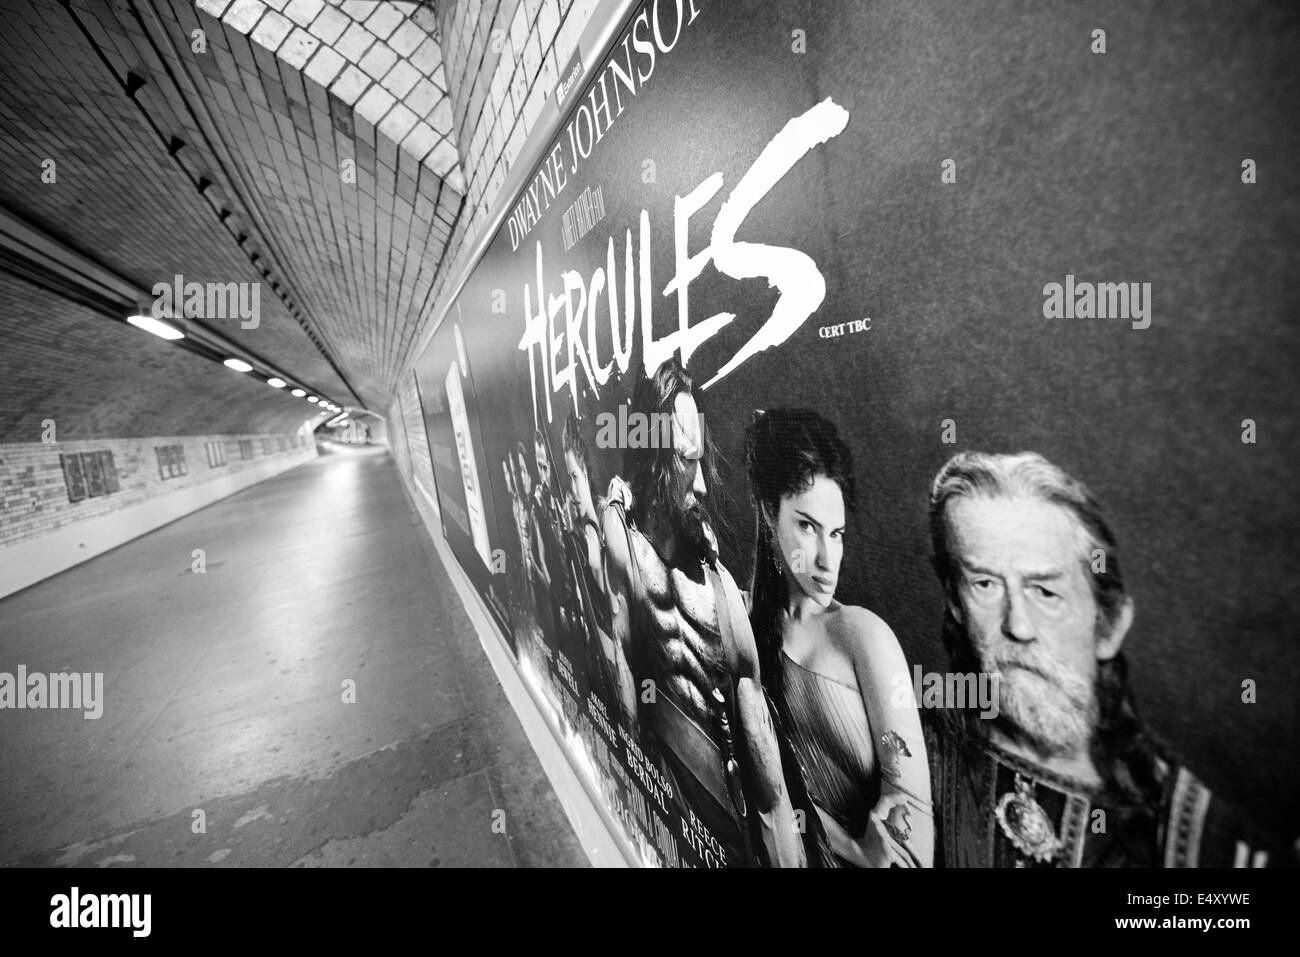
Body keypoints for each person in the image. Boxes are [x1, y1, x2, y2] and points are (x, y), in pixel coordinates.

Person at [926, 450, 1294, 867]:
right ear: (955, 604)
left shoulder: (1204, 837)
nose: (1018, 626)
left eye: (1044, 592)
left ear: (1110, 625)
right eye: (985, 584)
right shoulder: (911, 760)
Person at [602, 356, 804, 868]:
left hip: (727, 831)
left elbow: (772, 795)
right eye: (687, 464)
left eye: (700, 463)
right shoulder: (626, 551)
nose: (704, 487)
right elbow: (625, 695)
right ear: (654, 460)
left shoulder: (722, 593)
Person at [745, 408, 933, 867]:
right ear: (770, 513)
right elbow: (760, 794)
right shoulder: (745, 630)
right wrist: (849, 846)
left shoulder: (863, 636)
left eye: (838, 533)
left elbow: (915, 836)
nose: (829, 559)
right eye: (807, 527)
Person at [562, 411, 638, 732]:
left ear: (587, 472)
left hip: (630, 680)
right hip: (606, 680)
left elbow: (623, 612)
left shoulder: (609, 523)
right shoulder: (580, 533)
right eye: (568, 480)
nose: (571, 489)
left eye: (575, 477)